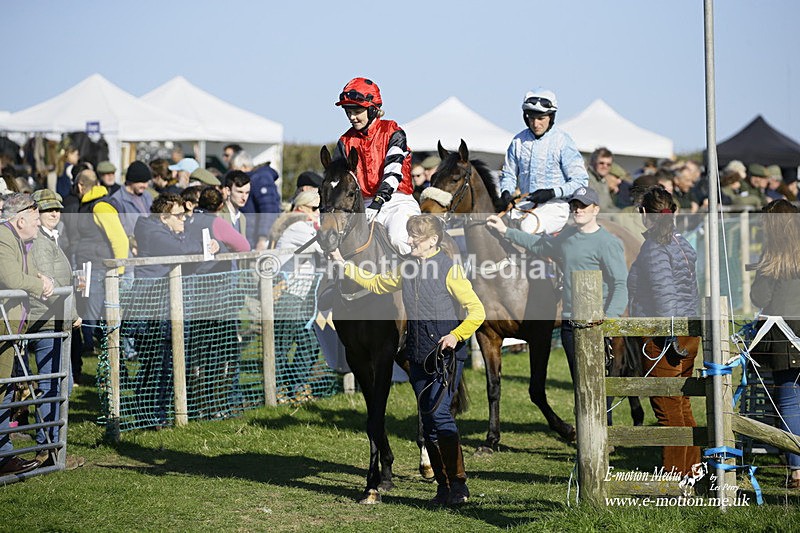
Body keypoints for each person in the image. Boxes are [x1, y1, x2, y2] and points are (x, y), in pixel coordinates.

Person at [330, 214, 485, 506]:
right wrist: (342, 263)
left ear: (433, 241)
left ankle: (459, 485)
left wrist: (456, 335)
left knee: (439, 416)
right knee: (427, 421)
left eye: (416, 236)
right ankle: (443, 487)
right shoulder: (406, 267)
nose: (410, 240)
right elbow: (376, 283)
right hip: (418, 356)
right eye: (410, 234)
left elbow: (477, 310)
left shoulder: (449, 269)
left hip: (446, 356)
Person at [486, 186, 627, 381]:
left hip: (597, 322)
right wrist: (506, 231)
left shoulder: (608, 243)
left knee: (599, 387)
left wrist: (610, 320)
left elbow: (620, 283)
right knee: (580, 385)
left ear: (596, 209)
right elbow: (540, 246)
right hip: (570, 323)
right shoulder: (567, 236)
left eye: (584, 206)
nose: (578, 210)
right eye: (575, 205)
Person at [627, 186, 701, 477]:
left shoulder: (655, 248)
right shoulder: (680, 244)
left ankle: (676, 476)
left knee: (667, 408)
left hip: (666, 338)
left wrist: (669, 338)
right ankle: (693, 470)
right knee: (680, 404)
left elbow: (665, 294)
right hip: (686, 334)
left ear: (645, 214)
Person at [132, 194, 220, 426]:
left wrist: (210, 245)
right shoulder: (153, 233)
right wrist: (202, 245)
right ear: (163, 217)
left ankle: (160, 414)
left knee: (170, 363)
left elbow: (196, 257)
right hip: (153, 307)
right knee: (156, 364)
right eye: (179, 216)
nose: (184, 219)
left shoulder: (172, 232)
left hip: (171, 305)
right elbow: (182, 252)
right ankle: (149, 416)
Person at [27, 189, 85, 469]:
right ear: (34, 212)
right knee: (53, 386)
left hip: (54, 318)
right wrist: (73, 313)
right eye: (47, 209)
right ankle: (46, 448)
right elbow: (49, 285)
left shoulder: (49, 238)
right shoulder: (39, 242)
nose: (54, 214)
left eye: (57, 209)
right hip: (48, 319)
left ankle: (50, 447)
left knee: (58, 385)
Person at [333, 77, 420, 255]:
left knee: (398, 239)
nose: (352, 117)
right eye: (348, 111)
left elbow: (393, 172)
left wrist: (378, 202)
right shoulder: (344, 141)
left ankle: (418, 281)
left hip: (396, 202)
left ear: (373, 109)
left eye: (357, 111)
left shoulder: (393, 132)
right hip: (363, 205)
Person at [0, 193, 54, 475]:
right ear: (20, 219)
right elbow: (12, 279)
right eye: (34, 219)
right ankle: (3, 458)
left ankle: (4, 457)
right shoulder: (3, 239)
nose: (38, 224)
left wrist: (45, 281)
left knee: (5, 390)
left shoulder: (21, 242)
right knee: (1, 391)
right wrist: (38, 284)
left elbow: (33, 275)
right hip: (2, 325)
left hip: (11, 326)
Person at [749, 199, 800, 488]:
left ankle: (797, 470)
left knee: (790, 402)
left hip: (781, 336)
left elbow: (759, 297)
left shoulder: (772, 255)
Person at [498, 88, 589, 235]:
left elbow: (581, 181)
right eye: (531, 118)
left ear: (551, 117)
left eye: (541, 118)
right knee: (492, 222)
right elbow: (508, 174)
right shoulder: (517, 141)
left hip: (556, 206)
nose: (535, 124)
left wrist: (552, 193)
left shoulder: (563, 141)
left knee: (527, 227)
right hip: (525, 204)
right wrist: (506, 191)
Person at [73, 169, 129, 380]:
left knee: (101, 325)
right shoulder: (89, 206)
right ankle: (115, 373)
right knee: (99, 324)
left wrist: (119, 273)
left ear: (80, 186)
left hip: (100, 271)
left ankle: (117, 374)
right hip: (89, 270)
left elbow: (119, 239)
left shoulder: (101, 206)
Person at [230, 151, 280, 251]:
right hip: (250, 237)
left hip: (256, 240)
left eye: (235, 170)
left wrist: (262, 238)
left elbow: (269, 209)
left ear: (244, 167)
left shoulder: (260, 179)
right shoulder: (257, 178)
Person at [586, 147, 619, 213]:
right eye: (601, 163)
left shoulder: (603, 181)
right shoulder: (587, 180)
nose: (605, 166)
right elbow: (599, 208)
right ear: (593, 162)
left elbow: (609, 205)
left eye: (608, 164)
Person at [220, 170, 251, 239]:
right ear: (228, 191)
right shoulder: (219, 215)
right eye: (240, 192)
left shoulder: (242, 218)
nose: (244, 197)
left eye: (247, 193)